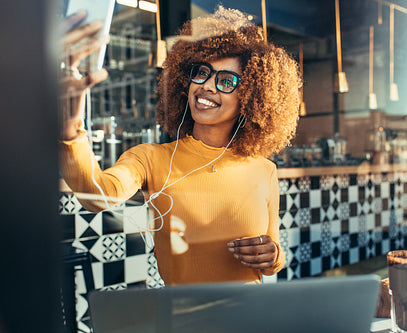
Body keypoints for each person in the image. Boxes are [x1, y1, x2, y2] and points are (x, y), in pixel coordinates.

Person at [59, 7, 301, 285]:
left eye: (225, 81)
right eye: (202, 73)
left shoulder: (264, 170)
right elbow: (96, 196)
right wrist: (69, 128)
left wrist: (272, 256)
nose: (208, 86)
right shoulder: (151, 158)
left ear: (249, 97)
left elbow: (273, 258)